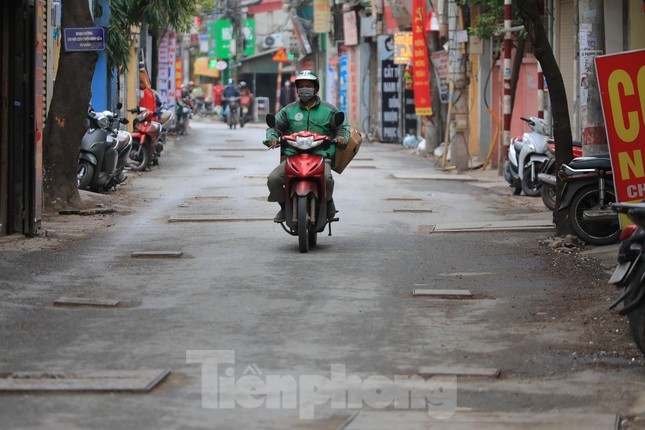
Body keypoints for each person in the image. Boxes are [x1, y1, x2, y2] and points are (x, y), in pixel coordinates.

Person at [264, 70, 349, 222]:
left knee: (327, 178)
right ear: (296, 89)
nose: (304, 89)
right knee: (273, 179)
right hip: (293, 156)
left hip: (320, 155)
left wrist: (341, 137)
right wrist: (272, 137)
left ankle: (328, 201)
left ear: (316, 88)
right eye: (301, 86)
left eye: (308, 85)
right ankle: (284, 207)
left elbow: (342, 127)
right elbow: (274, 127)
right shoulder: (288, 110)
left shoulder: (329, 110)